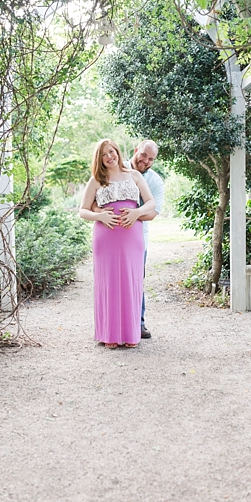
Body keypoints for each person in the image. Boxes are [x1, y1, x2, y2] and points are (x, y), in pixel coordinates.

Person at [79, 139, 155, 348]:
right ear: (99, 159)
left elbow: (151, 202)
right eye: (104, 154)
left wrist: (137, 212)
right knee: (108, 282)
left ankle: (131, 334)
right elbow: (83, 210)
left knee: (132, 281)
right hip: (106, 236)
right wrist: (100, 217)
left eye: (111, 151)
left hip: (132, 235)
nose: (109, 157)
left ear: (118, 152)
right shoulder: (96, 180)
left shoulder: (134, 175)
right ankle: (109, 334)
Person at [125, 140, 164, 339]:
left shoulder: (155, 180)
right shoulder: (117, 169)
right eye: (143, 156)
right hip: (113, 236)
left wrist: (131, 215)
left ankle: (138, 323)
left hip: (140, 238)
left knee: (135, 281)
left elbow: (154, 212)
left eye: (151, 159)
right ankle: (117, 324)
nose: (146, 161)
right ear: (136, 151)